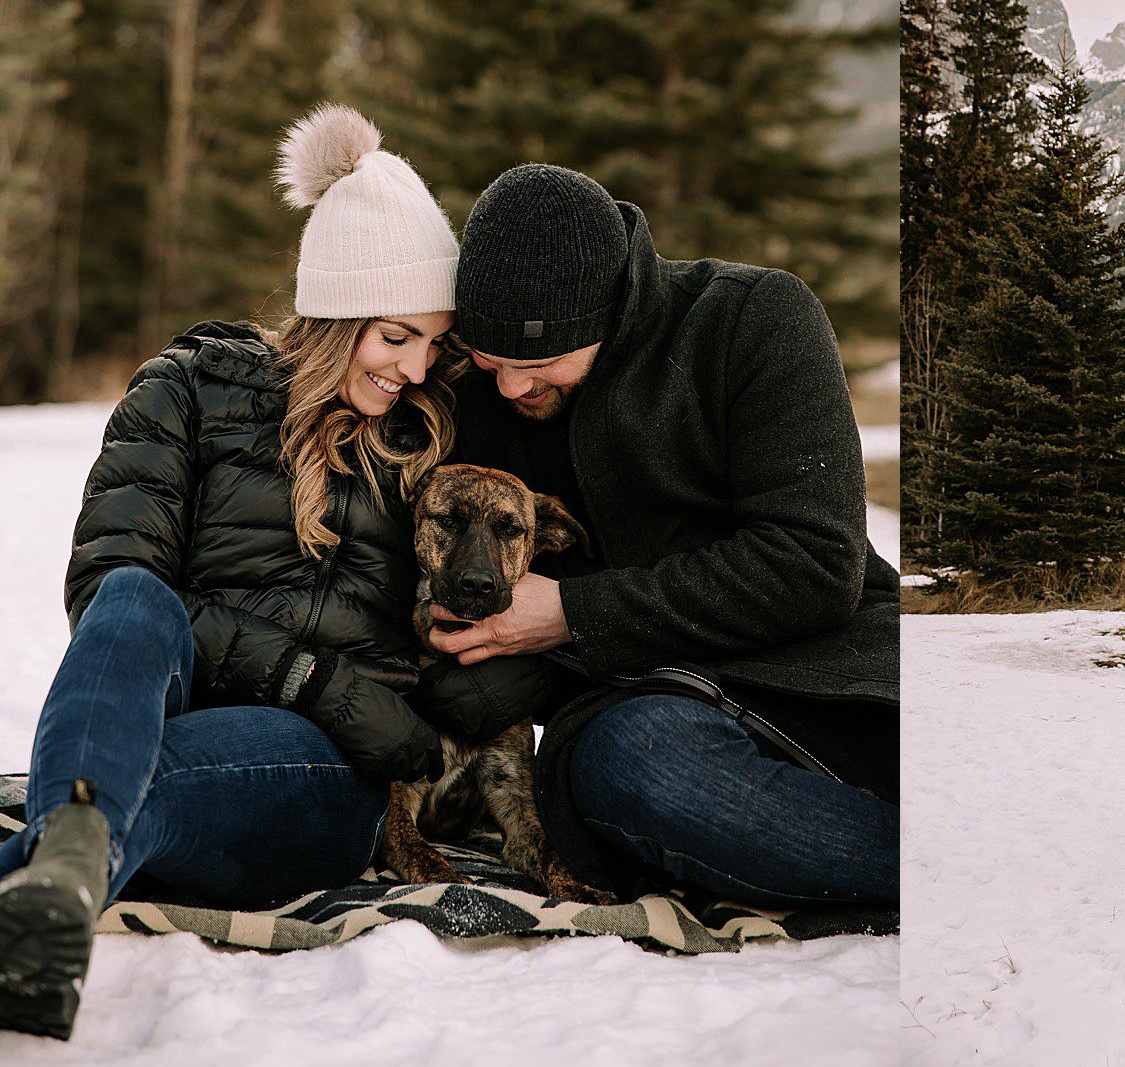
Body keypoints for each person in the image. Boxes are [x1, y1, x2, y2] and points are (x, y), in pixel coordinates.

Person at [0, 106, 459, 1039]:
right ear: (336, 313)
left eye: (434, 343)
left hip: (325, 777)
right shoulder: (186, 388)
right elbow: (108, 587)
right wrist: (307, 675)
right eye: (396, 336)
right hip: (179, 708)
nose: (417, 368)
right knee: (134, 598)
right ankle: (53, 895)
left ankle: (56, 868)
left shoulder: (429, 441)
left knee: (130, 784)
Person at [407, 165, 900, 911]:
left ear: (608, 315)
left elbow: (816, 564)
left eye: (537, 364)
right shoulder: (476, 398)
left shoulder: (752, 321)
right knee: (633, 766)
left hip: (834, 679)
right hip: (650, 720)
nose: (510, 388)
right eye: (489, 360)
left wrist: (574, 612)